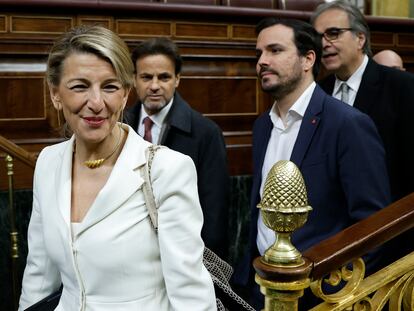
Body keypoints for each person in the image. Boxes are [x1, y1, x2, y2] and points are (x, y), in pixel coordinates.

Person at [19, 25, 216, 311]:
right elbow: (39, 273)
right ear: (55, 94)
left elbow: (191, 295)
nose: (96, 103)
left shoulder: (167, 169)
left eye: (110, 87)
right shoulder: (49, 162)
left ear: (125, 95)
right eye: (80, 86)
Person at [232, 17, 390, 310]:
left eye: (275, 50)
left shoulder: (347, 124)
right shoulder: (262, 127)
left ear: (308, 59)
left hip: (320, 295)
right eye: (259, 54)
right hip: (263, 287)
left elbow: (373, 225)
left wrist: (338, 295)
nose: (262, 61)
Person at [125, 37, 229, 259]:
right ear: (134, 79)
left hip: (183, 255)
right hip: (128, 253)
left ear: (177, 79)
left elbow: (214, 213)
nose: (154, 86)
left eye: (164, 77)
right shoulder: (119, 127)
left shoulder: (206, 133)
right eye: (146, 77)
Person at [311, 0, 414, 201]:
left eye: (333, 33)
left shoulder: (403, 87)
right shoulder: (317, 92)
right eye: (317, 36)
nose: (323, 43)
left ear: (360, 39)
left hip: (387, 218)